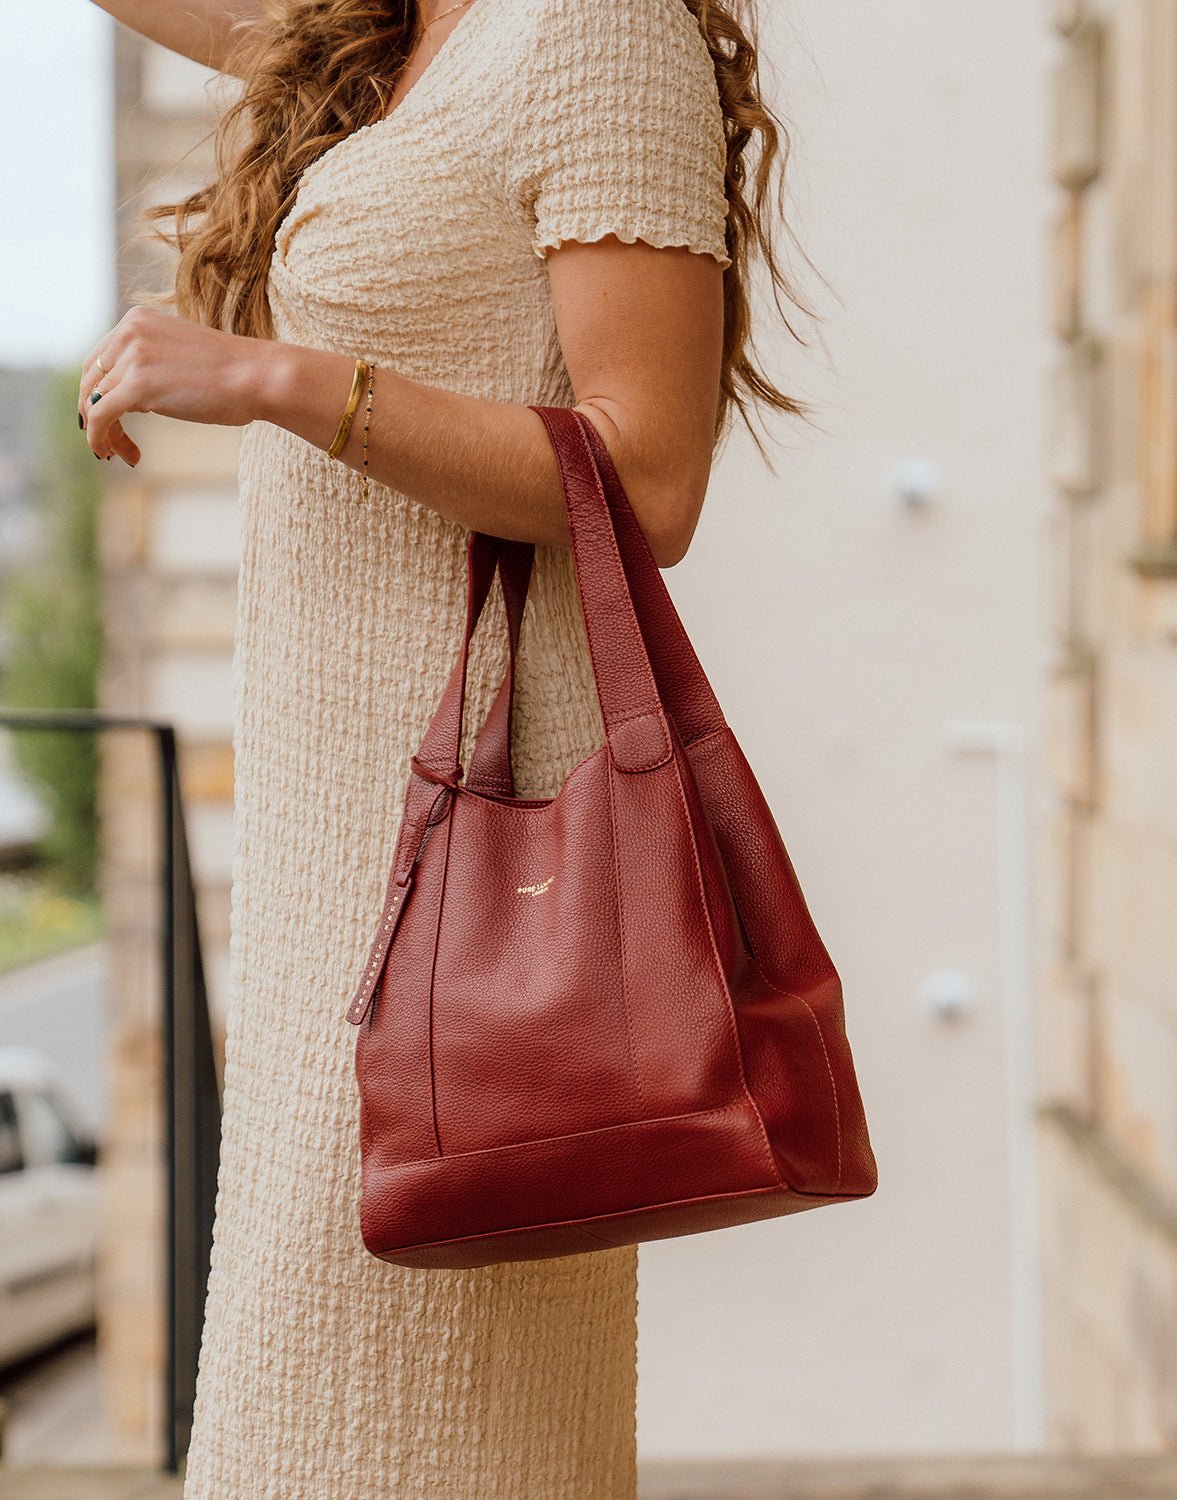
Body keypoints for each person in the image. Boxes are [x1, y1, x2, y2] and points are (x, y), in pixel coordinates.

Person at [82, 1, 804, 1494]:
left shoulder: (594, 31)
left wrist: (277, 379)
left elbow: (648, 474)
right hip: (330, 852)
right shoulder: (389, 29)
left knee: (409, 1423)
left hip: (473, 866)